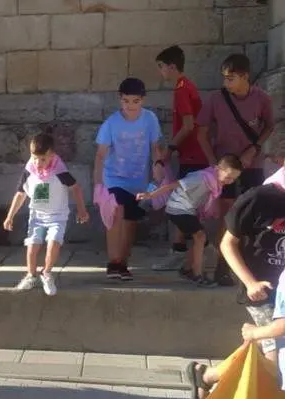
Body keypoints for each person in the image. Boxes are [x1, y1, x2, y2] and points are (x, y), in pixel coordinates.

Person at [186, 167, 285, 399]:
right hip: (260, 287)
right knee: (274, 359)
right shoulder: (259, 198)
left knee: (262, 342)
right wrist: (250, 283)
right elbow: (227, 244)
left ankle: (206, 376)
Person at [197, 53, 275, 286]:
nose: (226, 83)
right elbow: (201, 132)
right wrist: (214, 164)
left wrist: (255, 148)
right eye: (225, 78)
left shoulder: (262, 99)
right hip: (225, 168)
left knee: (254, 216)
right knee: (228, 215)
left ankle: (252, 266)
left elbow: (269, 126)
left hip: (253, 165)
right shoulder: (215, 100)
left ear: (245, 77)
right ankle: (223, 266)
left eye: (230, 78)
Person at [93, 77, 164, 281]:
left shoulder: (150, 119)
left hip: (138, 181)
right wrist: (99, 185)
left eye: (135, 101)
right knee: (117, 212)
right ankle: (113, 261)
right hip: (114, 178)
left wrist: (158, 165)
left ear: (143, 100)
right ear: (119, 99)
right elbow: (100, 155)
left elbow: (155, 147)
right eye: (126, 101)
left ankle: (123, 263)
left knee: (131, 221)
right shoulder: (111, 124)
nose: (131, 106)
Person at [136, 155, 243, 287]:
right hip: (177, 209)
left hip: (188, 210)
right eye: (228, 177)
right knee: (200, 236)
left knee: (200, 239)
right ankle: (196, 274)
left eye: (234, 179)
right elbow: (174, 185)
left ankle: (187, 269)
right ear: (218, 169)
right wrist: (151, 195)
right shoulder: (201, 178)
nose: (230, 181)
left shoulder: (214, 183)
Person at [2, 134, 89, 296]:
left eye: (43, 159)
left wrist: (82, 209)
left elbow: (76, 188)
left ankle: (47, 273)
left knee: (53, 243)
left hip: (57, 216)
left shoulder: (60, 171)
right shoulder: (29, 172)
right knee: (32, 245)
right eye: (35, 158)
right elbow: (20, 194)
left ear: (52, 155)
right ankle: (31, 275)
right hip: (37, 216)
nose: (38, 163)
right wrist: (10, 216)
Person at [153, 45, 207, 271]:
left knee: (177, 203)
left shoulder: (182, 89)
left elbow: (188, 125)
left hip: (193, 155)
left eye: (161, 67)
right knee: (186, 202)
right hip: (192, 154)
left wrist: (169, 150)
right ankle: (188, 250)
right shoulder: (186, 87)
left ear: (172, 66)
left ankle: (181, 251)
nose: (160, 72)